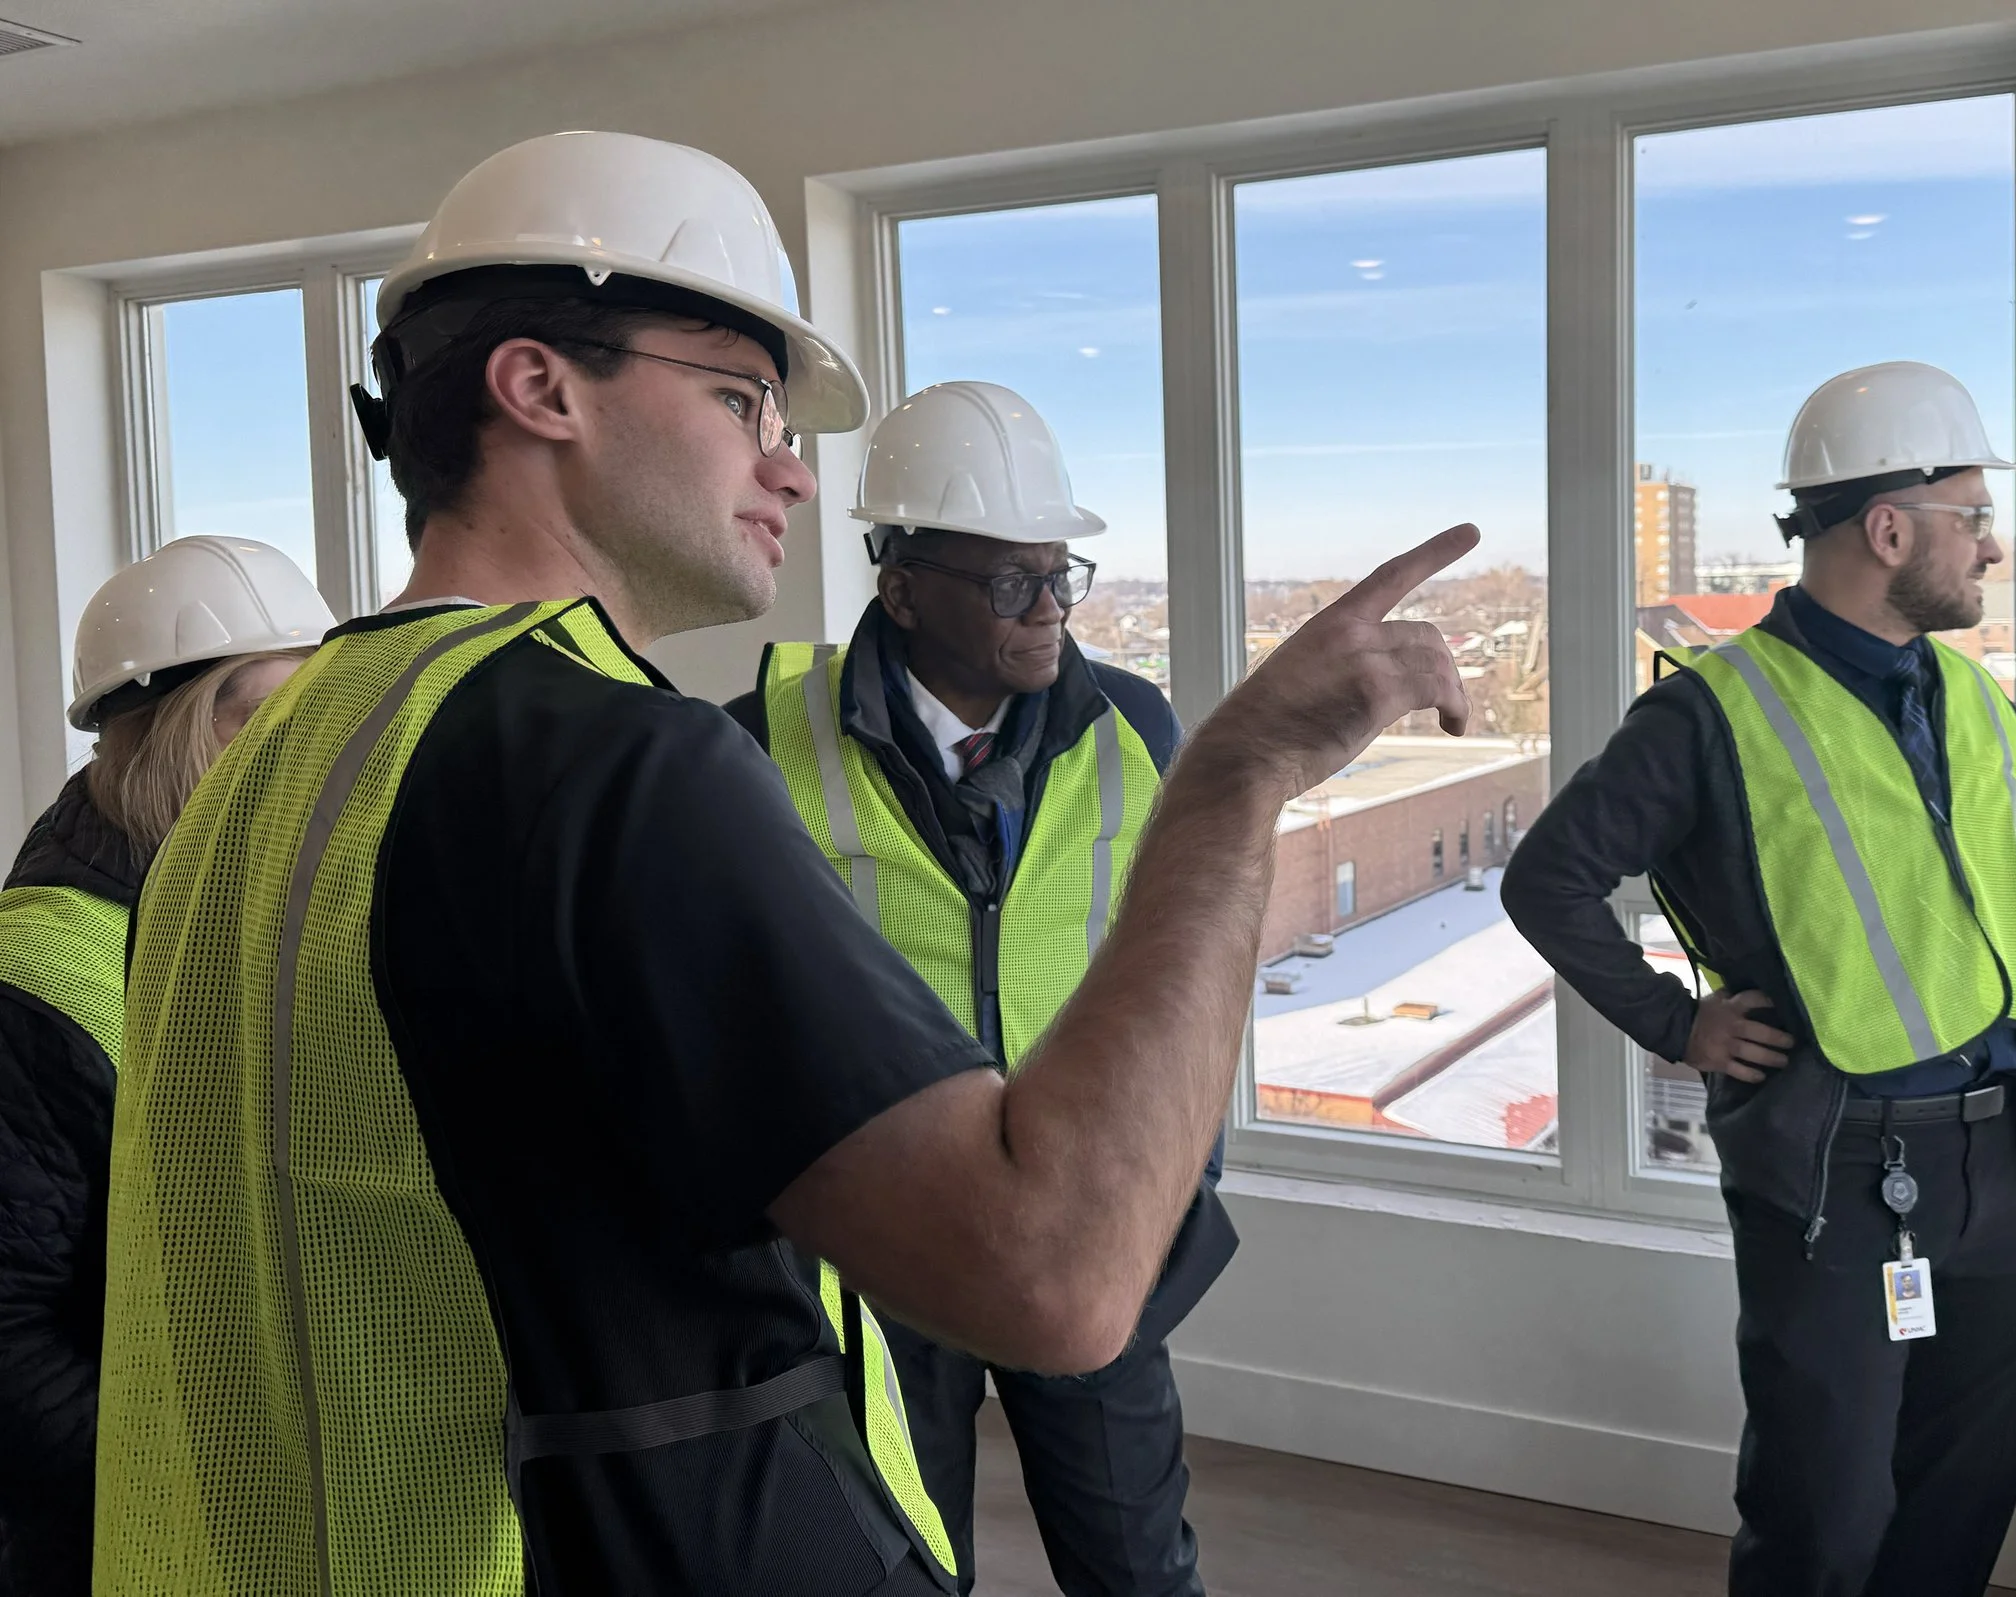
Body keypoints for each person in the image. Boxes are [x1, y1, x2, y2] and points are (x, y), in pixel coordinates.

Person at [93, 129, 1476, 1597]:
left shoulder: (289, 749)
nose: (789, 474)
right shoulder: (614, 762)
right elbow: (1056, 1276)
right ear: (540, 387)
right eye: (742, 397)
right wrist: (1241, 780)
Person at [1500, 360, 2016, 1597]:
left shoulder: (1973, 700)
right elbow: (1548, 881)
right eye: (1974, 517)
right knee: (1826, 1508)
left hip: (2007, 1160)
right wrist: (1673, 1022)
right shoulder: (1711, 715)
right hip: (1841, 1175)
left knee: (1963, 1489)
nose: (1992, 549)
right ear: (1889, 526)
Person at [724, 380, 1232, 1597]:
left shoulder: (1134, 725)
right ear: (900, 587)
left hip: (1089, 1216)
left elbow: (1184, 958)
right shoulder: (757, 739)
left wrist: (1179, 1173)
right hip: (884, 1242)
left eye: (1063, 575)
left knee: (1136, 1561)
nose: (1051, 609)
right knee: (904, 1555)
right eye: (1013, 582)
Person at [0, 535, 330, 1596]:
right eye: (267, 716)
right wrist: (236, 1492)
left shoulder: (245, 914)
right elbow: (9, 1346)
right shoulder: (33, 978)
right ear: (171, 733)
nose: (302, 750)